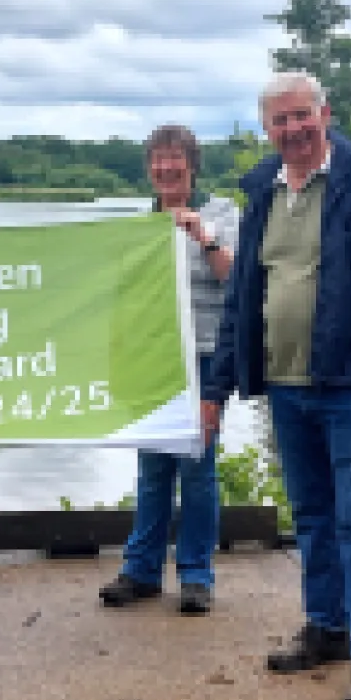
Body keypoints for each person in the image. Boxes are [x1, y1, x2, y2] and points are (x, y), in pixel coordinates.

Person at [201, 71, 351, 700]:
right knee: (314, 519)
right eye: (280, 121)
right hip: (287, 388)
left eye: (303, 116)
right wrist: (217, 388)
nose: (294, 129)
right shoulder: (263, 197)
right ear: (267, 130)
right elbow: (243, 299)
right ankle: (326, 629)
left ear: (324, 114)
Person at [98, 124, 239, 616]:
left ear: (192, 164)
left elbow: (236, 278)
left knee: (197, 470)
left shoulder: (222, 212)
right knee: (153, 468)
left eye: (175, 158)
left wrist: (203, 237)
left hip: (202, 357)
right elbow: (126, 301)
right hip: (154, 360)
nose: (165, 168)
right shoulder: (139, 226)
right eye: (158, 159)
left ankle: (196, 576)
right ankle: (141, 570)